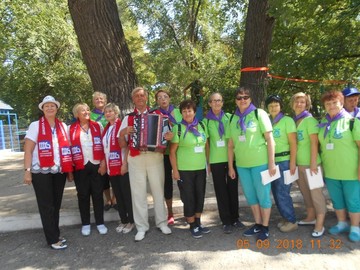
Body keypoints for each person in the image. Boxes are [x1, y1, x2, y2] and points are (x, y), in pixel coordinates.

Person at [119, 87, 172, 242]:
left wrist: (168, 136)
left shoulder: (158, 115)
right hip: (135, 158)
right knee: (138, 194)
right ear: (133, 99)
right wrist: (123, 133)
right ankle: (141, 227)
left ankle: (162, 223)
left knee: (158, 190)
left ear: (146, 97)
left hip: (155, 156)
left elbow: (167, 136)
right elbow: (122, 144)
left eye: (142, 95)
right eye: (137, 96)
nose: (140, 98)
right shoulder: (127, 118)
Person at [23, 95, 73, 250]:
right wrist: (27, 171)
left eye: (52, 106)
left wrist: (69, 171)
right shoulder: (35, 126)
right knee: (46, 205)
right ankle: (52, 239)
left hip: (58, 171)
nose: (50, 108)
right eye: (47, 106)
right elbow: (28, 150)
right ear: (42, 109)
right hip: (41, 171)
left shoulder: (63, 126)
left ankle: (55, 234)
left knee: (56, 205)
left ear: (57, 109)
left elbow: (67, 150)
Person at [227, 87, 276, 241]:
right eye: (239, 97)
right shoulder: (232, 119)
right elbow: (230, 145)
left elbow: (270, 139)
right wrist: (230, 166)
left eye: (246, 97)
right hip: (242, 165)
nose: (243, 100)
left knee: (263, 195)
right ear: (235, 100)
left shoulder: (259, 114)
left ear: (250, 99)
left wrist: (272, 163)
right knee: (250, 196)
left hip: (260, 163)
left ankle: (265, 227)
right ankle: (258, 223)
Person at [318, 90, 360, 242]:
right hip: (331, 171)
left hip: (351, 171)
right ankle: (342, 223)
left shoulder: (352, 122)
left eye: (334, 102)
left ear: (341, 103)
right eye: (328, 104)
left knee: (353, 200)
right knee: (337, 200)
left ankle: (355, 227)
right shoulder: (323, 124)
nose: (331, 106)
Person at [170, 100, 210, 238]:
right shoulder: (178, 128)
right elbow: (172, 152)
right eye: (184, 111)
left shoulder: (203, 125)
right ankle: (192, 225)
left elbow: (206, 146)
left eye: (190, 111)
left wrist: (208, 164)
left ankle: (198, 222)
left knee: (200, 195)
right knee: (189, 197)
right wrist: (175, 170)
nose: (187, 113)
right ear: (181, 113)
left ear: (194, 112)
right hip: (184, 170)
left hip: (200, 168)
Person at [204, 92, 244, 234]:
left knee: (233, 189)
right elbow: (207, 144)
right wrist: (208, 161)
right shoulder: (206, 121)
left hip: (231, 159)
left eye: (219, 100)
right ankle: (226, 221)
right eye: (214, 101)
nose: (217, 103)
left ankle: (235, 218)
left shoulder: (230, 118)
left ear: (222, 102)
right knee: (221, 191)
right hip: (216, 161)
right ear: (209, 103)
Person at [291, 92, 327, 238]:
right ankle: (310, 217)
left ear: (307, 104)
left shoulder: (309, 120)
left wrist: (313, 164)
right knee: (306, 193)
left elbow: (314, 143)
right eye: (297, 101)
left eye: (302, 102)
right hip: (300, 165)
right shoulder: (294, 121)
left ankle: (320, 223)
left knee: (316, 195)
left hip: (312, 165)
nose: (299, 104)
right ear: (292, 104)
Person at [69, 103, 108, 236]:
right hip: (80, 166)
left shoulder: (98, 126)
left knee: (98, 194)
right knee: (83, 195)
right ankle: (85, 223)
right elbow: (67, 149)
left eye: (87, 110)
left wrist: (103, 163)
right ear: (76, 115)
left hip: (96, 163)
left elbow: (104, 145)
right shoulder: (71, 128)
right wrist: (69, 171)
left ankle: (100, 222)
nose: (86, 112)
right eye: (82, 111)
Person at [265, 94, 298, 233]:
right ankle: (285, 217)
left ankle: (291, 221)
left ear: (281, 106)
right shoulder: (267, 122)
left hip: (284, 161)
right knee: (276, 192)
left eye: (276, 105)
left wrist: (292, 163)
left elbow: (293, 143)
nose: (274, 108)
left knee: (283, 192)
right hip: (272, 162)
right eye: (271, 106)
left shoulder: (287, 120)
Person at [102, 103, 135, 234]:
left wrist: (125, 164)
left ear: (116, 113)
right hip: (111, 167)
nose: (108, 113)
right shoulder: (106, 128)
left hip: (122, 165)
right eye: (106, 112)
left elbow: (126, 146)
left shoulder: (121, 126)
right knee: (118, 195)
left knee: (126, 195)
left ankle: (131, 221)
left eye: (111, 111)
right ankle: (123, 219)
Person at [155, 89, 182, 225]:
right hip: (164, 153)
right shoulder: (155, 114)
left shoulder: (178, 112)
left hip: (180, 151)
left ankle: (188, 208)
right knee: (167, 184)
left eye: (165, 96)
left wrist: (174, 129)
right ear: (157, 101)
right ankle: (170, 212)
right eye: (159, 98)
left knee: (183, 180)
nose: (163, 99)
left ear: (170, 98)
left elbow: (185, 127)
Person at [90, 91, 116, 211]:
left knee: (115, 175)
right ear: (93, 102)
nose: (99, 101)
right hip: (99, 148)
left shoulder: (112, 112)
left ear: (105, 101)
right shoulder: (90, 115)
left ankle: (115, 198)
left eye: (101, 99)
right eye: (96, 99)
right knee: (103, 177)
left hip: (113, 148)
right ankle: (108, 199)